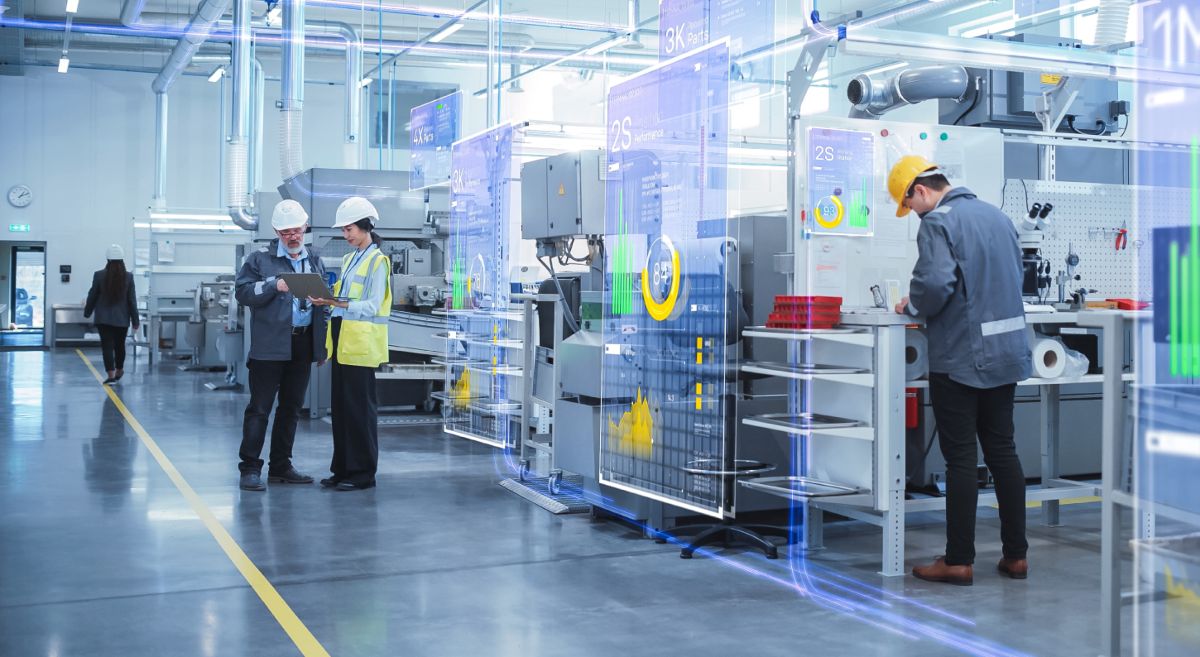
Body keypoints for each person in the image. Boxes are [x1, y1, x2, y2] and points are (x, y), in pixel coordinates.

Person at [888, 155, 1033, 586]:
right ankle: (1017, 556)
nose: (912, 212)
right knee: (1003, 452)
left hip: (961, 357)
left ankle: (958, 560)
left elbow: (935, 284)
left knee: (961, 460)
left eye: (908, 204)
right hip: (1006, 352)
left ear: (920, 190)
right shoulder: (997, 215)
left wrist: (910, 306)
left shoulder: (938, 222)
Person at [233, 200, 328, 492]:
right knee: (260, 409)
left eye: (297, 230)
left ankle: (281, 466)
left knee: (291, 408)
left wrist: (320, 346)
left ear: (305, 227)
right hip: (269, 348)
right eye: (286, 231)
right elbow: (243, 293)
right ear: (276, 231)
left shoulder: (313, 258)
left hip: (301, 343)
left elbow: (321, 304)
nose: (292, 236)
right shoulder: (259, 259)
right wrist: (275, 285)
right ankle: (250, 468)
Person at [309, 197, 391, 491]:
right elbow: (342, 302)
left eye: (349, 229)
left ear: (366, 226)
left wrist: (333, 300)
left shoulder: (378, 261)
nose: (346, 236)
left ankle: (362, 474)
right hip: (343, 342)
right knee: (341, 411)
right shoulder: (348, 259)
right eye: (344, 230)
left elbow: (371, 306)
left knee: (359, 412)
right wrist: (325, 299)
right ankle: (342, 469)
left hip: (361, 346)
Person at [84, 244, 139, 384]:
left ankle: (111, 375)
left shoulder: (99, 275)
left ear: (107, 259)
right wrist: (136, 320)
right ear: (122, 259)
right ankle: (119, 370)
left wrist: (87, 312)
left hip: (103, 318)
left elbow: (92, 295)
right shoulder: (128, 277)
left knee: (107, 346)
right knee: (120, 345)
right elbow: (132, 300)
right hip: (122, 319)